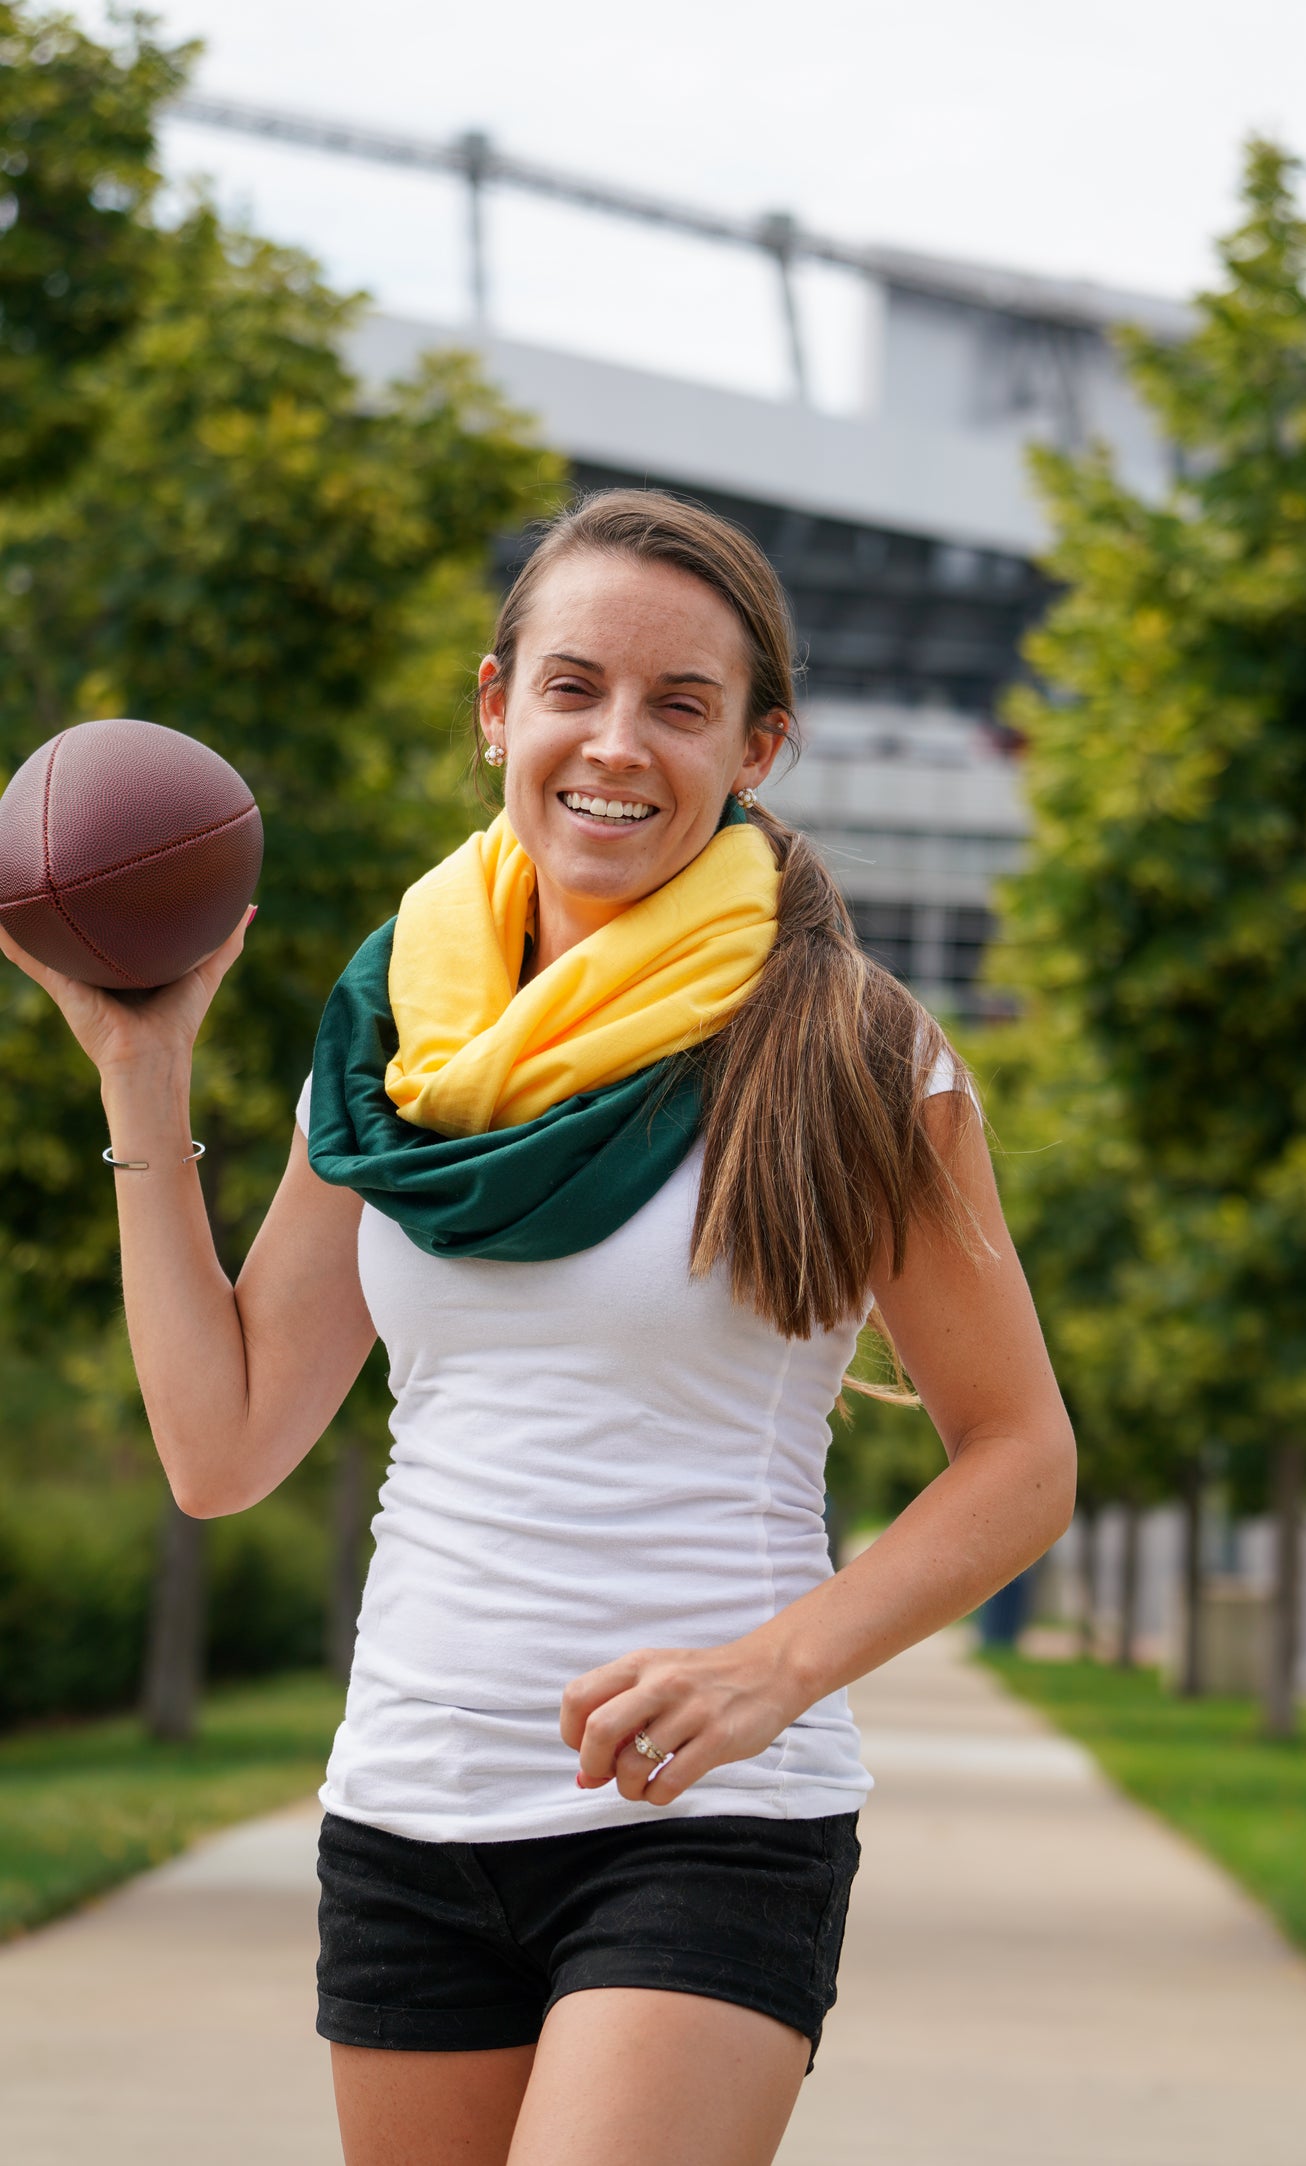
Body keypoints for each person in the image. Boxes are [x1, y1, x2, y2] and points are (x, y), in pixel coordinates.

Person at [0, 490, 1075, 2166]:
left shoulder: (855, 1052)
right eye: (572, 687)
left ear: (758, 748)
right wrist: (141, 1074)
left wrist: (775, 1669)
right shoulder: (391, 1047)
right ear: (497, 706)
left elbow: (1019, 1458)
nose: (615, 744)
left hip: (704, 1813)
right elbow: (222, 1450)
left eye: (681, 704)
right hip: (411, 1796)